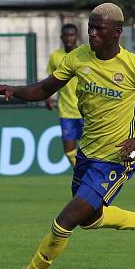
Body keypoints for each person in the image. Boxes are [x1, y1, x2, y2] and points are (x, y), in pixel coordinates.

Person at [0, 3, 135, 269]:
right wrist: (15, 89)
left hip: (115, 160)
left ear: (117, 32)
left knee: (65, 221)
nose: (92, 33)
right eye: (90, 27)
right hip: (87, 157)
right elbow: (45, 88)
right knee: (90, 219)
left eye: (99, 29)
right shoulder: (78, 58)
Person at [45, 23, 83, 166]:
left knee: (91, 150)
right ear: (61, 37)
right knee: (69, 151)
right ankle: (81, 174)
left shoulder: (84, 54)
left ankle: (88, 177)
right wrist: (48, 97)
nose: (69, 38)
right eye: (66, 35)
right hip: (66, 111)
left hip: (85, 111)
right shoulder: (55, 56)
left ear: (77, 36)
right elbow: (50, 80)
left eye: (71, 35)